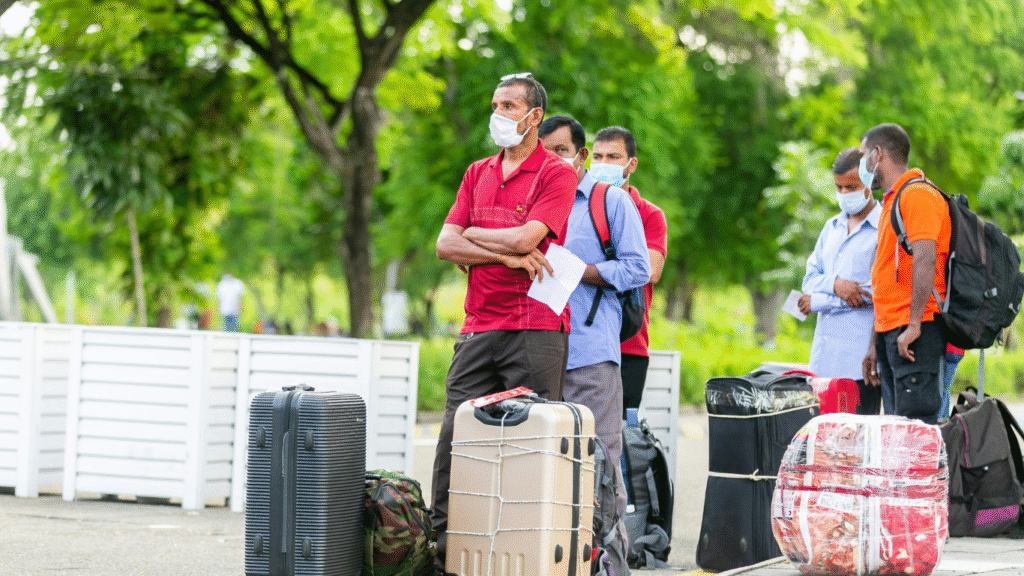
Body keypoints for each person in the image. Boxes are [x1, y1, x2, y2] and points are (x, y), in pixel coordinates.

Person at [432, 73, 577, 571]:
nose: (499, 113)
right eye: (495, 104)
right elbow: (445, 244)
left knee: (531, 444)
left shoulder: (556, 173)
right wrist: (511, 256)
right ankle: (443, 545)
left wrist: (482, 237)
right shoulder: (477, 172)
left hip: (535, 328)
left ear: (534, 116)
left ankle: (530, 555)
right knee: (457, 434)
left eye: (510, 105)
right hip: (479, 325)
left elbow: (525, 238)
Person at [540, 115, 650, 572]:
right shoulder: (536, 200)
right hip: (537, 350)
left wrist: (581, 271)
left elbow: (638, 269)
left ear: (580, 155)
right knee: (546, 465)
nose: (552, 160)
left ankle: (611, 566)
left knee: (601, 464)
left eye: (561, 152)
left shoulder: (610, 203)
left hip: (590, 351)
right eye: (545, 152)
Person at [860, 123, 950, 424]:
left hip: (915, 331)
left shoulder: (917, 194)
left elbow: (925, 257)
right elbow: (883, 279)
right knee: (898, 431)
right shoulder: (891, 201)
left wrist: (913, 324)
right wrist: (874, 343)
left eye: (863, 156)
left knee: (916, 431)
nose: (862, 164)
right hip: (892, 331)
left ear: (877, 153)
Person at [587, 126, 668, 416]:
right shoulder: (578, 205)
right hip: (583, 339)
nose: (604, 164)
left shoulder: (649, 214)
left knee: (623, 432)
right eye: (597, 157)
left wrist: (585, 267)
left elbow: (650, 269)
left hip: (629, 342)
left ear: (631, 164)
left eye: (613, 157)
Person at [798, 147, 882, 414]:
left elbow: (870, 293)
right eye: (839, 187)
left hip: (860, 363)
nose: (844, 194)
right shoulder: (830, 227)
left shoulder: (884, 229)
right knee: (824, 448)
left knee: (857, 446)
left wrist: (818, 302)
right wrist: (837, 285)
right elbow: (809, 279)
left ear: (869, 183)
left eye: (851, 187)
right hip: (823, 362)